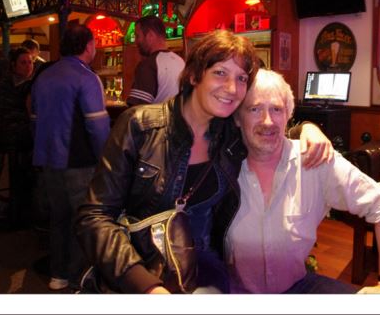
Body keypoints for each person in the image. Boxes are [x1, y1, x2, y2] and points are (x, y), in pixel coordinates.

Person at [75, 30, 333, 294]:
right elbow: (94, 217)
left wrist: (307, 129)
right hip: (139, 271)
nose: (232, 88)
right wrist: (147, 287)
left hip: (206, 273)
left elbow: (266, 133)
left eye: (241, 78)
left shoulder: (230, 135)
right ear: (194, 75)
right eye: (220, 73)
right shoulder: (140, 126)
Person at [227, 69, 380, 294]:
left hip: (297, 287)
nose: (267, 121)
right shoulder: (223, 168)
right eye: (254, 109)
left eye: (276, 109)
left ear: (288, 115)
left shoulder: (314, 161)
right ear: (237, 118)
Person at [31, 24, 110, 291]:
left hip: (49, 162)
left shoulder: (44, 76)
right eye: (94, 43)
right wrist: (106, 159)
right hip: (80, 164)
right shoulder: (86, 77)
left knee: (58, 219)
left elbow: (34, 119)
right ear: (88, 46)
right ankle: (79, 279)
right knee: (83, 221)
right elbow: (97, 126)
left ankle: (58, 275)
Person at [0, 48, 35, 227]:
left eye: (30, 62)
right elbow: (30, 113)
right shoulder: (28, 87)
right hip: (10, 135)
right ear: (13, 65)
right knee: (6, 172)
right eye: (23, 62)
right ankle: (0, 207)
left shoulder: (2, 83)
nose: (28, 66)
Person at [126, 16, 184, 106]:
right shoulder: (180, 61)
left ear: (150, 36)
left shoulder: (148, 65)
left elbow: (137, 109)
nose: (136, 41)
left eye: (137, 36)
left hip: (157, 116)